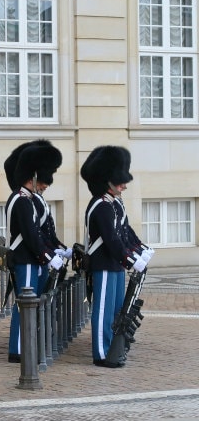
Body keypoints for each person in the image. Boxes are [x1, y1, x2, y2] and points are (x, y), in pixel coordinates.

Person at [80, 145, 153, 368]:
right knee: (103, 310)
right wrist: (130, 260)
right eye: (119, 180)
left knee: (116, 309)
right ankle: (101, 353)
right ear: (107, 180)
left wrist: (140, 249)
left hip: (114, 263)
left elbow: (125, 231)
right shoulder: (101, 205)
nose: (123, 185)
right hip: (103, 263)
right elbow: (111, 239)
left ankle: (112, 345)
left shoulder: (114, 203)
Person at [3, 139, 66, 363]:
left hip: (33, 260)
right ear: (33, 176)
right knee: (24, 305)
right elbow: (30, 235)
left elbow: (40, 234)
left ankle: (27, 344)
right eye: (42, 181)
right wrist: (48, 256)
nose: (44, 186)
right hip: (25, 260)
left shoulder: (28, 199)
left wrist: (56, 251)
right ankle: (18, 349)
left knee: (33, 303)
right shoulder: (20, 200)